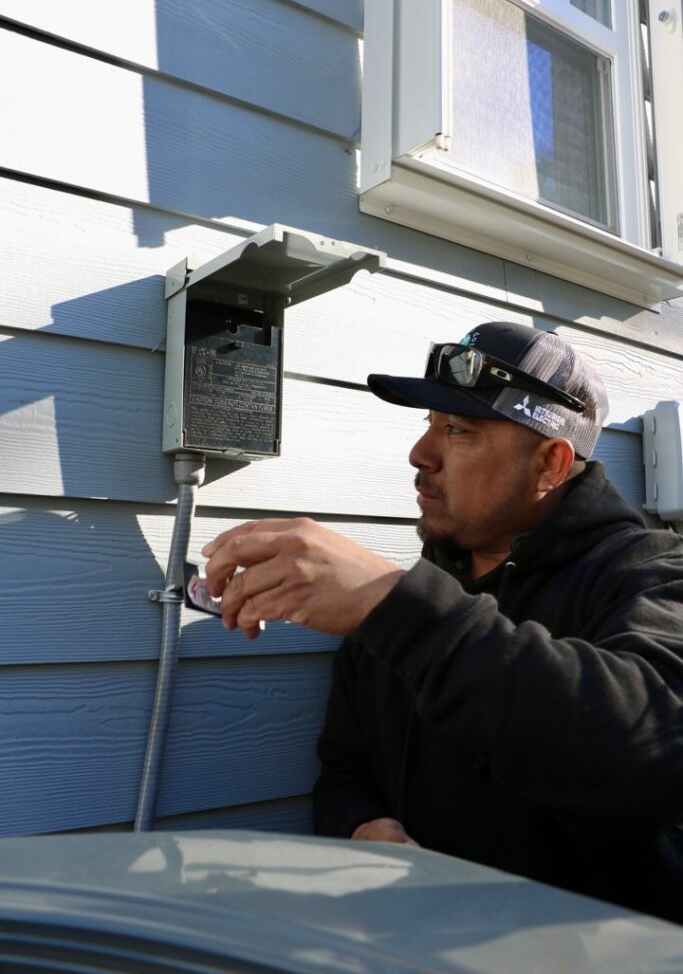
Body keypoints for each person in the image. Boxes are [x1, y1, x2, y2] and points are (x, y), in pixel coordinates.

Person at [202, 321, 683, 923]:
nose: (420, 454)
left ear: (550, 464)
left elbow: (651, 755)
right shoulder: (404, 601)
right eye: (428, 425)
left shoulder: (650, 574)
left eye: (458, 431)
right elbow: (346, 770)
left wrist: (392, 603)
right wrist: (359, 828)